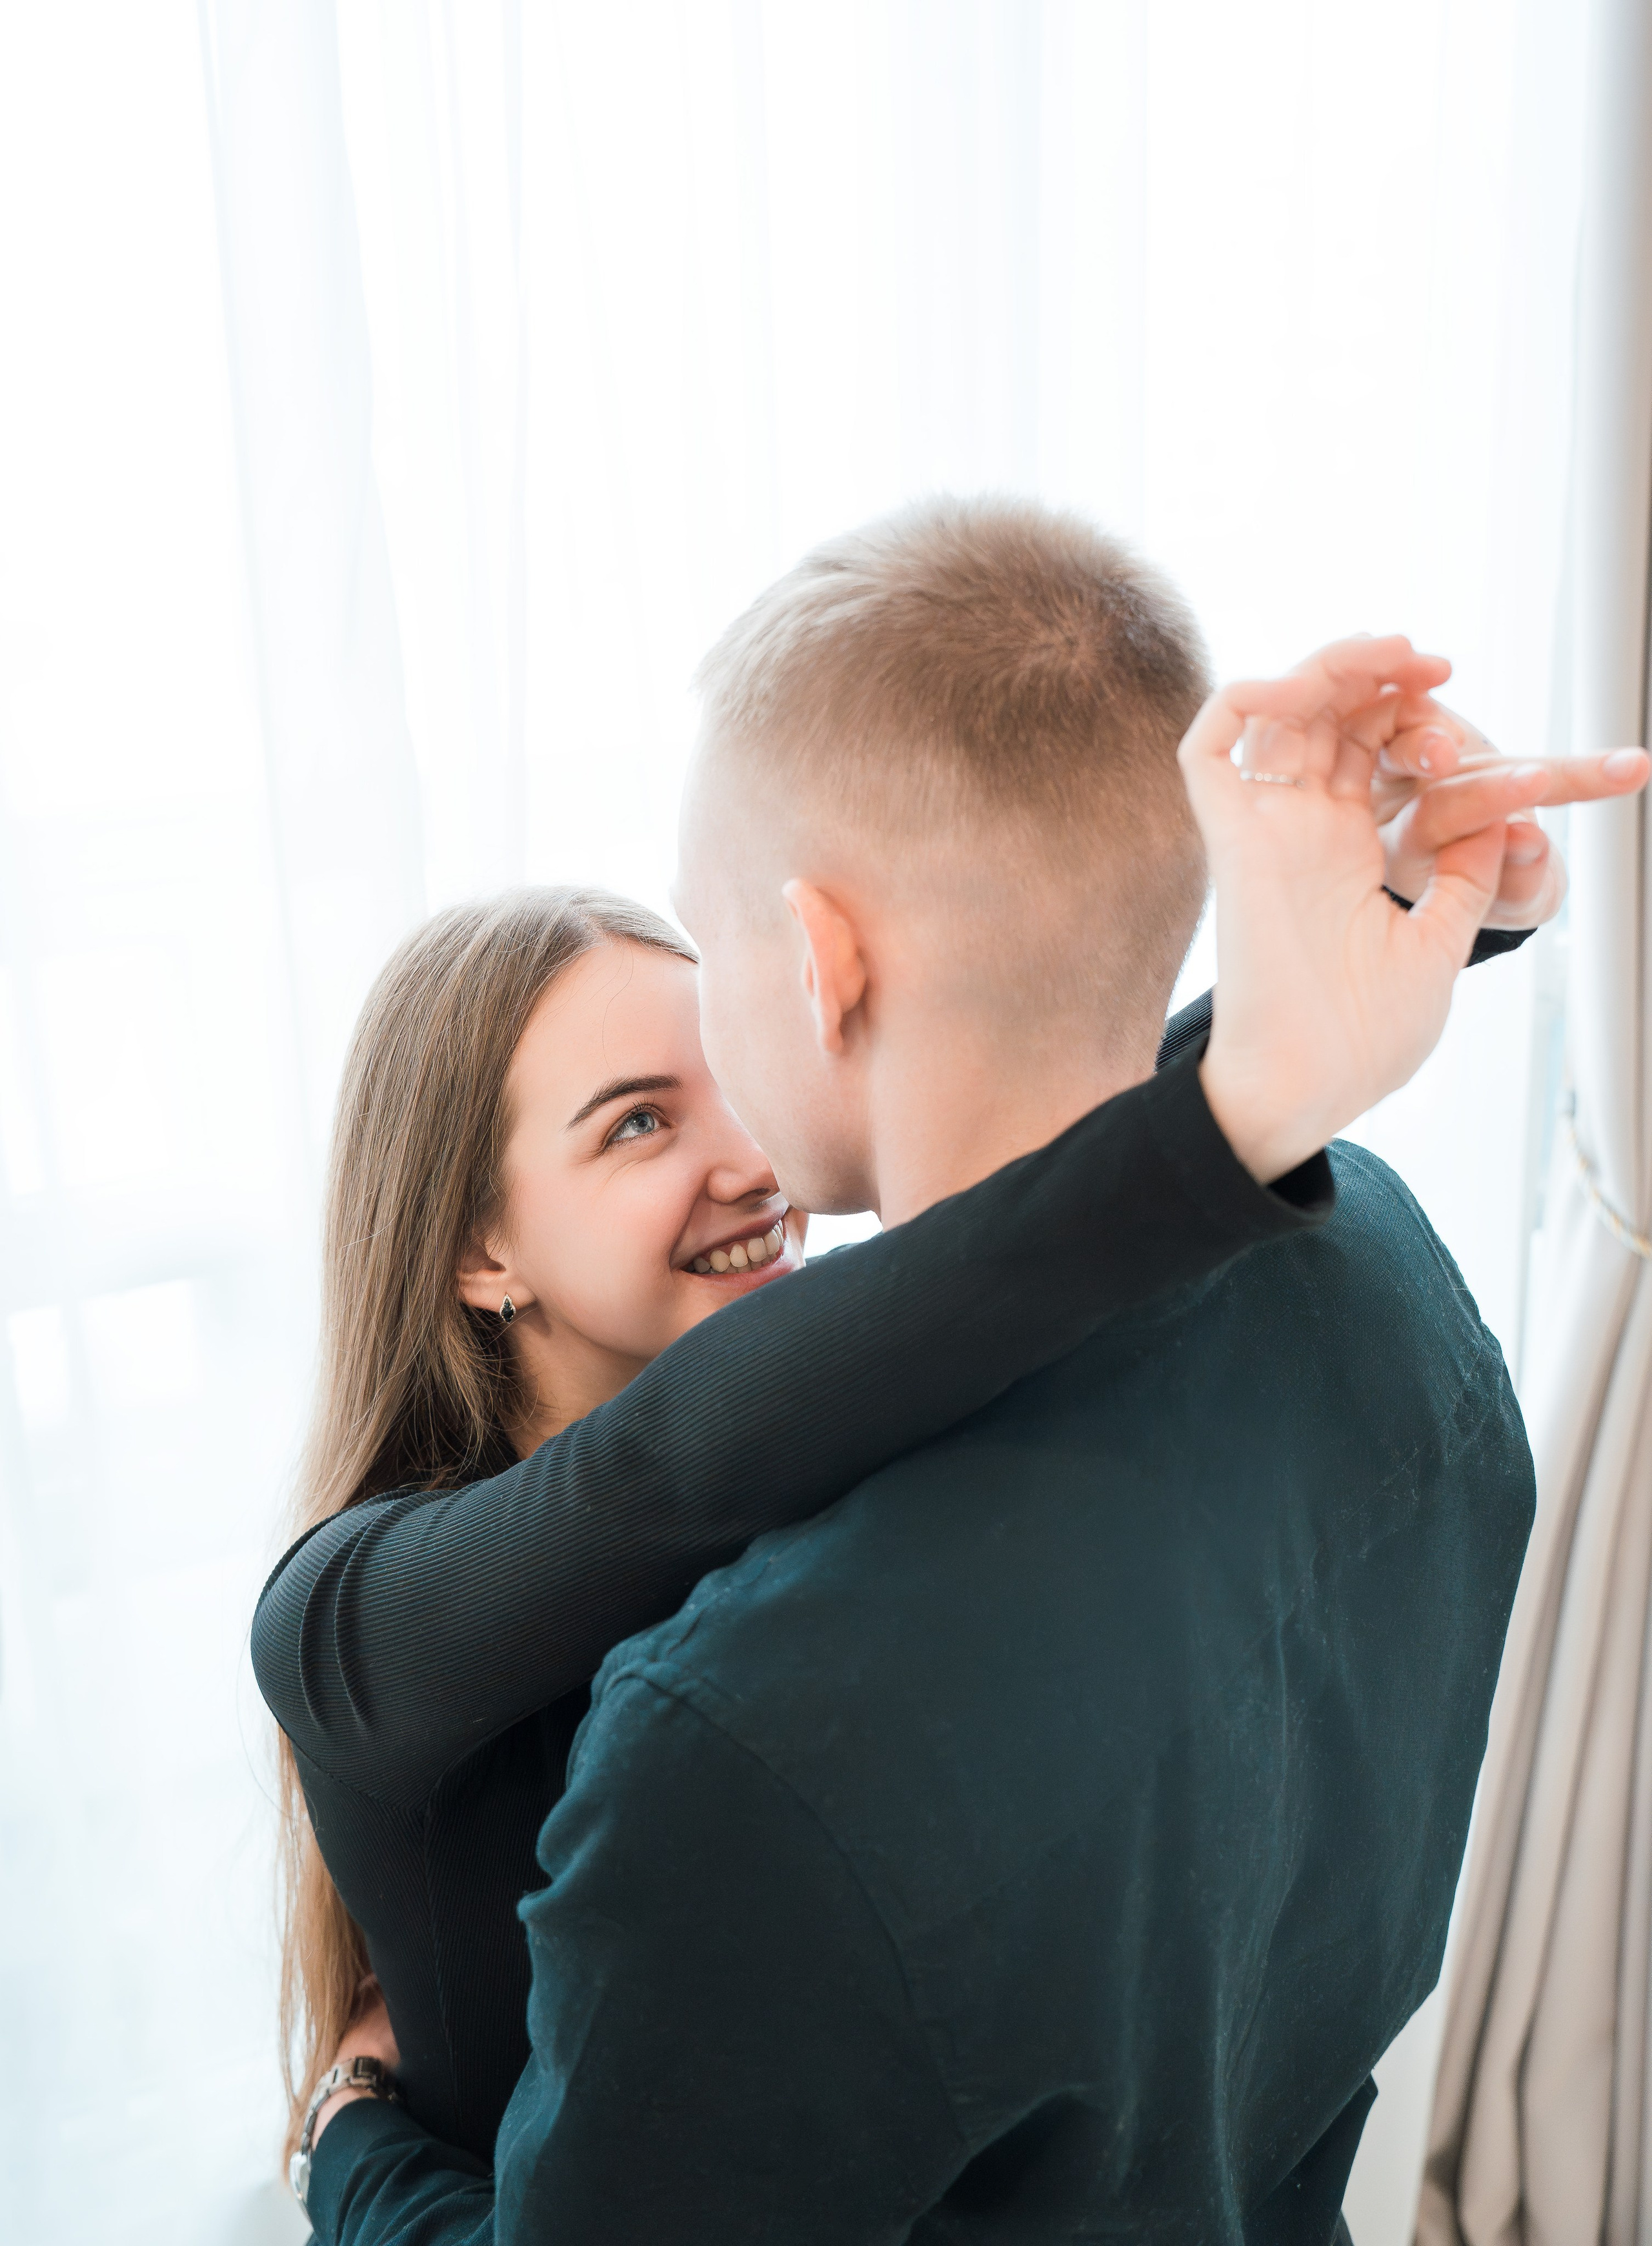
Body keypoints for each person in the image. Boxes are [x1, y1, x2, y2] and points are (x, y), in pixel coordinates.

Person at [279, 501, 1643, 2244]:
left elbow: (962, 1260)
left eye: (710, 1017)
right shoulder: (1371, 1259)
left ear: (817, 964)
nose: (741, 1151)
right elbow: (680, 1463)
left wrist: (356, 2145)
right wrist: (1337, 988)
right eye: (634, 1123)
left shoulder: (780, 1698)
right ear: (473, 1247)